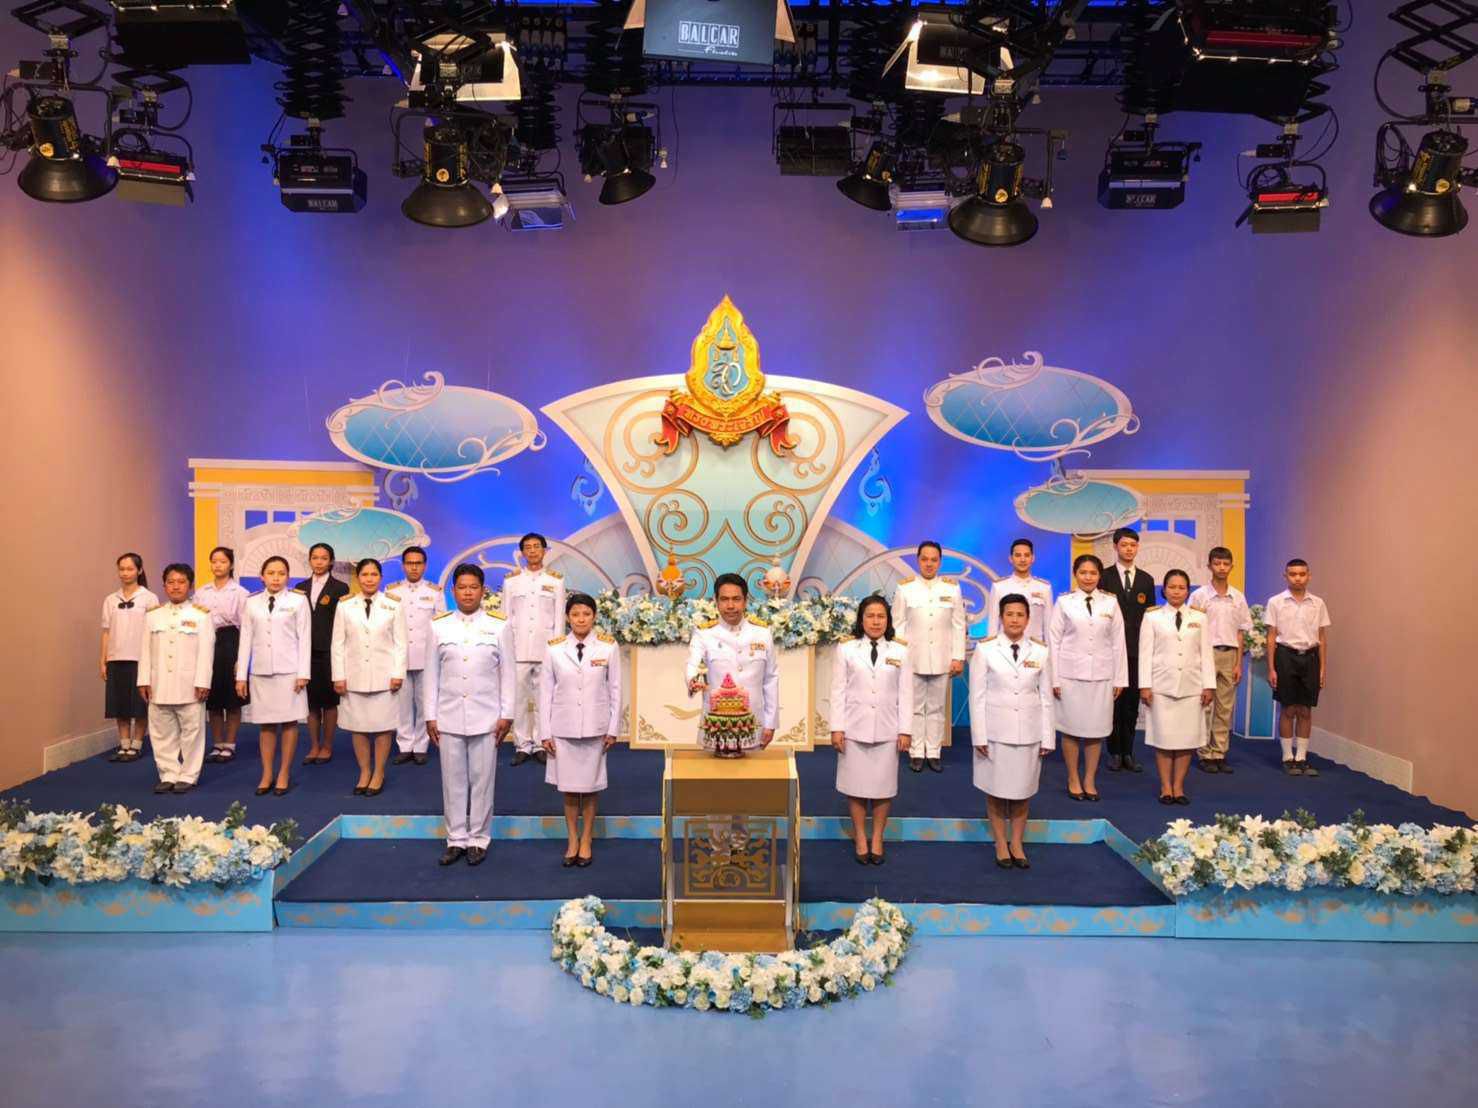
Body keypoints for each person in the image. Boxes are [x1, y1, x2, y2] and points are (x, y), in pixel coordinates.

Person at [424, 564, 515, 867]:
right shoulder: (438, 625)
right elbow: (430, 674)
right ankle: (455, 839)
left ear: (482, 591)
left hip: (486, 716)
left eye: (473, 587)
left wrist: (507, 713)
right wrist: (430, 715)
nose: (467, 593)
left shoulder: (499, 625)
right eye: (462, 587)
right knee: (452, 781)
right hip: (448, 714)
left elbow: (509, 674)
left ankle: (478, 838)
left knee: (482, 780)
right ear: (453, 591)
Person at [970, 594, 1054, 869]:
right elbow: (977, 696)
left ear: (1028, 619)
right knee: (996, 790)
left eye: (1020, 614)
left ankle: (1016, 843)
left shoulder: (1040, 651)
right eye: (1009, 614)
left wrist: (1048, 736)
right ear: (1001, 617)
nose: (1015, 620)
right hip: (995, 733)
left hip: (1029, 733)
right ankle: (1000, 843)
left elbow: (1046, 697)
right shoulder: (986, 649)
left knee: (1022, 791)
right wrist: (979, 735)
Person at [540, 593, 623, 867]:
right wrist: (544, 732)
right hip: (562, 728)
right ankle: (572, 840)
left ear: (594, 616)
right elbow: (545, 692)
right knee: (568, 788)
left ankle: (586, 839)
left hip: (595, 728)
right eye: (575, 614)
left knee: (589, 788)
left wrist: (613, 728)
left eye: (586, 614)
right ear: (567, 617)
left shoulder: (608, 647)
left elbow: (616, 690)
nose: (581, 619)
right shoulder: (554, 649)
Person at [830, 595, 912, 866]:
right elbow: (838, 690)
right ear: (861, 619)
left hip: (888, 729)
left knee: (883, 787)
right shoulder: (846, 649)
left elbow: (906, 693)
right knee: (855, 786)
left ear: (888, 620)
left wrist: (905, 730)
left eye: (881, 616)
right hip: (854, 728)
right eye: (870, 616)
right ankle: (860, 838)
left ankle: (877, 837)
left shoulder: (900, 651)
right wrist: (837, 727)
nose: (876, 622)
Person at [1048, 554, 1128, 802]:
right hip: (1070, 676)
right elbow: (1054, 641)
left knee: (1096, 730)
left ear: (1099, 575)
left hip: (1102, 675)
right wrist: (1054, 679)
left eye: (1093, 573)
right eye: (1083, 572)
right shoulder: (1064, 602)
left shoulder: (1110, 603)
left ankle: (1090, 779)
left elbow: (1118, 642)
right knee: (1071, 730)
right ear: (1076, 574)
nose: (1088, 577)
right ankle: (1073, 777)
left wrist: (1120, 679)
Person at [235, 556, 311, 796]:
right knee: (266, 724)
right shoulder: (251, 602)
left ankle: (284, 773)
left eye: (281, 573)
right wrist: (241, 676)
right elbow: (245, 640)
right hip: (261, 672)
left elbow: (305, 638)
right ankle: (267, 773)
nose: (276, 578)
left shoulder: (298, 600)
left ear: (288, 576)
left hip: (289, 672)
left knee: (289, 722)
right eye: (271, 573)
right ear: (262, 576)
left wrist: (303, 673)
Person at [332, 557, 408, 797]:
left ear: (381, 577)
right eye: (364, 574)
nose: (369, 579)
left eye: (374, 574)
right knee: (359, 727)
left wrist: (398, 673)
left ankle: (379, 772)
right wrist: (338, 676)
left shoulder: (393, 604)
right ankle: (365, 772)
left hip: (385, 677)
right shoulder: (345, 605)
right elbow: (338, 643)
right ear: (358, 578)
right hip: (353, 676)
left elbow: (401, 643)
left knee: (383, 727)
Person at [1139, 570, 1215, 806]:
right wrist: (1145, 685)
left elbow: (1206, 653)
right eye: (1172, 587)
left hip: (1192, 687)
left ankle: (1179, 787)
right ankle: (1166, 787)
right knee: (1164, 739)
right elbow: (1145, 654)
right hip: (1161, 687)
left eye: (1182, 588)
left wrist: (1209, 685)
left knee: (1185, 740)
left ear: (1188, 591)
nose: (1176, 592)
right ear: (1164, 590)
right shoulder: (1152, 617)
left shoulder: (1199, 617)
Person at [138, 564, 215, 794]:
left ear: (190, 585)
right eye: (171, 582)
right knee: (161, 732)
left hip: (189, 685)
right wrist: (143, 680)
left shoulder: (201, 615)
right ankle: (168, 773)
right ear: (164, 586)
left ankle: (189, 775)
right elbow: (144, 650)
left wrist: (203, 681)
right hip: (159, 684)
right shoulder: (153, 615)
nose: (176, 586)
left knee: (192, 731)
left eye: (181, 582)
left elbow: (206, 652)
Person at [890, 540, 966, 773]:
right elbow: (897, 624)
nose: (929, 564)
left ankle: (933, 752)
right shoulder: (905, 588)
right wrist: (899, 656)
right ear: (918, 560)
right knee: (914, 707)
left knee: (936, 708)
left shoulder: (952, 588)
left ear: (940, 562)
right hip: (912, 658)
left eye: (934, 560)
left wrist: (958, 657)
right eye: (925, 559)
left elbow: (958, 625)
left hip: (942, 658)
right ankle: (915, 752)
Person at [685, 573, 779, 751]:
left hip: (752, 725)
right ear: (716, 601)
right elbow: (693, 664)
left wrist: (770, 722)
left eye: (736, 599)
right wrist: (693, 681)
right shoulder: (704, 634)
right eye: (724, 599)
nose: (730, 606)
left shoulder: (762, 633)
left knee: (753, 769)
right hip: (716, 726)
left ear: (745, 601)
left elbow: (771, 679)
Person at [501, 532, 566, 766]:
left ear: (544, 550)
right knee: (519, 699)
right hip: (518, 649)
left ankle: (540, 743)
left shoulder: (556, 580)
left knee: (543, 698)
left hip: (546, 647)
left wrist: (557, 650)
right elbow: (505, 617)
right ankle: (522, 745)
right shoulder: (511, 581)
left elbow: (559, 617)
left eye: (537, 546)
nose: (532, 551)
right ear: (522, 553)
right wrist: (505, 648)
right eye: (527, 547)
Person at [1187, 547, 1252, 774]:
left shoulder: (1238, 597)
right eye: (1217, 563)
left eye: (1225, 564)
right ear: (1209, 566)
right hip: (1206, 654)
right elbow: (1191, 630)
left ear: (1232, 566)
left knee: (1225, 707)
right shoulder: (1199, 596)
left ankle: (1219, 752)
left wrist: (1239, 663)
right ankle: (1205, 753)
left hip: (1230, 654)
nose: (1221, 568)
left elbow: (1241, 631)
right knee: (1205, 705)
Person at [1266, 559, 1331, 777]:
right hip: (1285, 656)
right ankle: (1287, 757)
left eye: (1302, 574)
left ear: (1309, 576)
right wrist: (1271, 668)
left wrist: (1322, 668)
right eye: (1293, 574)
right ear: (1285, 576)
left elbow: (1322, 637)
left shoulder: (1318, 603)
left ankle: (1301, 757)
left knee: (1305, 710)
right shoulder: (1276, 602)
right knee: (1288, 709)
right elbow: (1271, 636)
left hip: (1310, 657)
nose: (1298, 578)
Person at [1100, 527, 1154, 773]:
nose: (1129, 549)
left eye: (1133, 545)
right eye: (1124, 545)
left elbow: (1150, 618)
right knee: (1113, 703)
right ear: (1115, 547)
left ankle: (1128, 752)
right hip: (1109, 650)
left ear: (1137, 547)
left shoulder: (1146, 580)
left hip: (1135, 651)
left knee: (1131, 704)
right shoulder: (1104, 576)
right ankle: (1113, 752)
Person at [388, 546, 446, 767]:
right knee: (402, 704)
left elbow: (441, 624)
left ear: (425, 565)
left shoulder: (435, 591)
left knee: (424, 703)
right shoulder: (392, 591)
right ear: (403, 565)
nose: (414, 567)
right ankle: (405, 745)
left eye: (418, 563)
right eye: (410, 563)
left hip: (426, 656)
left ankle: (421, 745)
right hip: (400, 656)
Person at [101, 553, 158, 763]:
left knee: (139, 705)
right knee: (120, 704)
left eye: (130, 569)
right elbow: (106, 631)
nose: (125, 573)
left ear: (139, 570)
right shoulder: (110, 599)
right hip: (116, 658)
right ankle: (124, 745)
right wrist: (103, 660)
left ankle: (137, 745)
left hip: (140, 658)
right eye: (122, 569)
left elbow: (155, 631)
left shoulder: (149, 598)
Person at [295, 542, 348, 764]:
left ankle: (327, 745)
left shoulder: (341, 588)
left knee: (329, 702)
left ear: (331, 561)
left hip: (329, 652)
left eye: (324, 558)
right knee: (312, 702)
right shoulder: (299, 588)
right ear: (309, 560)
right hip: (306, 652)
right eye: (315, 558)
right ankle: (314, 746)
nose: (319, 562)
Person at [194, 545, 249, 763]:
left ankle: (230, 744)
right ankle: (217, 743)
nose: (218, 565)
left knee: (232, 700)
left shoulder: (240, 593)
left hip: (231, 641)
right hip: (208, 642)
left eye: (223, 561)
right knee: (214, 699)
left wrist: (240, 660)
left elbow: (246, 628)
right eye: (214, 561)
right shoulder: (201, 592)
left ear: (231, 564)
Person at [987, 538, 1054, 642]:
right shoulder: (999, 587)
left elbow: (1049, 625)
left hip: (1035, 647)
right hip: (1006, 646)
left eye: (1026, 555)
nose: (1022, 560)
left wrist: (1048, 651)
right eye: (1018, 555)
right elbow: (993, 624)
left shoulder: (1044, 588)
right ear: (1011, 558)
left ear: (1033, 558)